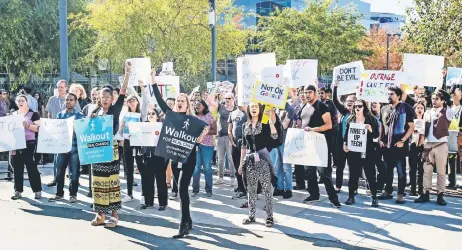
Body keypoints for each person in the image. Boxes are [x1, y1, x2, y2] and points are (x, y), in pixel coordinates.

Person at [151, 71, 209, 238]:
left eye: (183, 101)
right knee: (181, 191)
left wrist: (203, 134)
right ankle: (188, 220)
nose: (180, 103)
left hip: (189, 159)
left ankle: (183, 224)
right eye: (178, 101)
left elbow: (197, 142)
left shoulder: (194, 121)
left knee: (183, 190)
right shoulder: (172, 116)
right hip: (175, 159)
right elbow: (159, 101)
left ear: (187, 104)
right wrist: (154, 82)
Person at [89, 63, 130, 228]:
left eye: (107, 97)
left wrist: (127, 73)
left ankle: (114, 216)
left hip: (111, 149)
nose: (105, 99)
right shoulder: (95, 112)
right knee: (97, 182)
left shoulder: (115, 109)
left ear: (111, 99)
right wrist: (90, 121)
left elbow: (123, 91)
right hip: (97, 150)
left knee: (112, 182)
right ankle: (100, 215)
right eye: (102, 97)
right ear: (98, 98)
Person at [297, 85, 341, 208]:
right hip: (307, 145)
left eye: (309, 92)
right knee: (309, 172)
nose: (307, 94)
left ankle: (334, 198)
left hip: (321, 144)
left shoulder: (322, 107)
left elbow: (329, 125)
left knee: (324, 174)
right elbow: (301, 125)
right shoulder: (303, 107)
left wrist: (313, 129)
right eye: (305, 92)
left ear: (315, 93)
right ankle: (314, 195)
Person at [238, 102, 279, 227]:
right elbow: (244, 146)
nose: (254, 109)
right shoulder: (245, 125)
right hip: (250, 161)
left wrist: (271, 123)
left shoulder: (265, 124)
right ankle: (251, 215)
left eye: (256, 107)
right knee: (251, 190)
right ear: (249, 110)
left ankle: (270, 216)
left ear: (259, 109)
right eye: (252, 107)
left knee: (267, 189)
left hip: (263, 160)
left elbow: (275, 137)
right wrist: (241, 164)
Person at [415, 89, 453, 206]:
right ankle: (425, 193)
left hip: (441, 144)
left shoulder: (447, 112)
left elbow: (454, 103)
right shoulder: (427, 112)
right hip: (428, 144)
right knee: (427, 170)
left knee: (441, 172)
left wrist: (446, 92)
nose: (434, 101)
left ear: (442, 100)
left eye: (436, 99)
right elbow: (422, 129)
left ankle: (440, 195)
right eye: (433, 98)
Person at [378, 85, 415, 204]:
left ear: (398, 95)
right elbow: (381, 126)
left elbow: (411, 127)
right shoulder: (384, 109)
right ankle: (388, 191)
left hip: (400, 146)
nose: (389, 96)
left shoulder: (405, 108)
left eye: (392, 94)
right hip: (387, 146)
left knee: (401, 171)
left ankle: (400, 194)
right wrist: (379, 139)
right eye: (388, 94)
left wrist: (403, 141)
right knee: (388, 170)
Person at [48, 93, 85, 203]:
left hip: (74, 150)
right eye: (67, 100)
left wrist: (75, 129)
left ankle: (73, 195)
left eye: (71, 100)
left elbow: (83, 133)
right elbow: (56, 131)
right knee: (59, 173)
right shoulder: (60, 115)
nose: (68, 101)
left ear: (75, 102)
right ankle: (59, 194)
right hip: (62, 149)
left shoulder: (80, 116)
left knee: (74, 174)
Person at [343, 99, 379, 207]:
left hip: (367, 152)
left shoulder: (371, 119)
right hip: (353, 152)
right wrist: (345, 144)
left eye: (359, 106)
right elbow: (346, 135)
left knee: (370, 175)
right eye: (355, 106)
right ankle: (351, 196)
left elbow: (376, 135)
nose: (357, 108)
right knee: (353, 175)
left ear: (364, 107)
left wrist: (371, 129)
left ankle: (374, 197)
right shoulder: (350, 119)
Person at [45, 79, 80, 187]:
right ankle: (56, 178)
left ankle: (73, 179)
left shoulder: (72, 98)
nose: (60, 88)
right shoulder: (52, 99)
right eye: (58, 87)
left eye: (62, 87)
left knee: (72, 159)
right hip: (58, 133)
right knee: (57, 159)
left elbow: (78, 114)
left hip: (71, 135)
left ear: (66, 87)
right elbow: (49, 115)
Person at [10, 94, 42, 200]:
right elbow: (10, 132)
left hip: (30, 144)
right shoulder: (13, 114)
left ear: (26, 101)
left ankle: (37, 191)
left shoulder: (33, 114)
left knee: (31, 167)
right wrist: (12, 147)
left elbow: (39, 128)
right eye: (19, 100)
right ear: (16, 102)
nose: (20, 102)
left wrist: (28, 126)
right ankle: (18, 191)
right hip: (17, 144)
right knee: (17, 168)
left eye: (22, 100)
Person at [208, 86, 237, 186]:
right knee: (220, 159)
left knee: (230, 158)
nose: (227, 100)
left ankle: (233, 178)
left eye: (229, 98)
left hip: (231, 137)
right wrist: (216, 87)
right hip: (220, 135)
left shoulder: (236, 109)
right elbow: (210, 100)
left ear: (233, 99)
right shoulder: (221, 107)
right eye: (226, 98)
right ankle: (220, 178)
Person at [332, 82, 356, 192]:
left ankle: (353, 188)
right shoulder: (344, 112)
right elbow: (335, 101)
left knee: (353, 168)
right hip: (341, 144)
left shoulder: (359, 115)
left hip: (353, 144)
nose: (350, 102)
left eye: (352, 101)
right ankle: (338, 186)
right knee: (340, 167)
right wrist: (335, 88)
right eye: (348, 101)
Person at [119, 95, 144, 203]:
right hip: (128, 143)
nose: (132, 103)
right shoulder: (125, 115)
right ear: (127, 103)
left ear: (138, 102)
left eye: (134, 100)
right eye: (130, 101)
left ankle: (144, 194)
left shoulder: (142, 115)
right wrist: (122, 127)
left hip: (138, 143)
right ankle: (129, 194)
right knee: (128, 169)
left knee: (142, 168)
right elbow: (120, 132)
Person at [192, 99, 217, 197]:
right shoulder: (193, 117)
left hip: (207, 145)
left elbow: (215, 131)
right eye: (195, 105)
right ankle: (195, 189)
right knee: (196, 168)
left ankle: (209, 189)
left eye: (199, 105)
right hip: (195, 146)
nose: (197, 106)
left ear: (204, 106)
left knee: (207, 168)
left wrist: (206, 132)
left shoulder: (209, 116)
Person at [269, 103, 295, 199]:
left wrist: (272, 125)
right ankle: (280, 187)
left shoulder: (289, 109)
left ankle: (288, 189)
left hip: (286, 141)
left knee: (286, 167)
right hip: (277, 141)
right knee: (278, 166)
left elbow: (284, 125)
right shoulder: (276, 108)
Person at [228, 105, 248, 199]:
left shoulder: (249, 111)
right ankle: (241, 189)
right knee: (237, 167)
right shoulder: (232, 113)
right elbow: (229, 129)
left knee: (246, 168)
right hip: (235, 144)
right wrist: (232, 141)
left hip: (246, 144)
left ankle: (250, 189)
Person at [370, 101, 386, 193]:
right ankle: (371, 186)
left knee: (381, 167)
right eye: (372, 103)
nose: (374, 104)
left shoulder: (384, 115)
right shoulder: (368, 116)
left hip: (381, 144)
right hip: (371, 144)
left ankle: (379, 186)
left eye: (376, 102)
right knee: (370, 167)